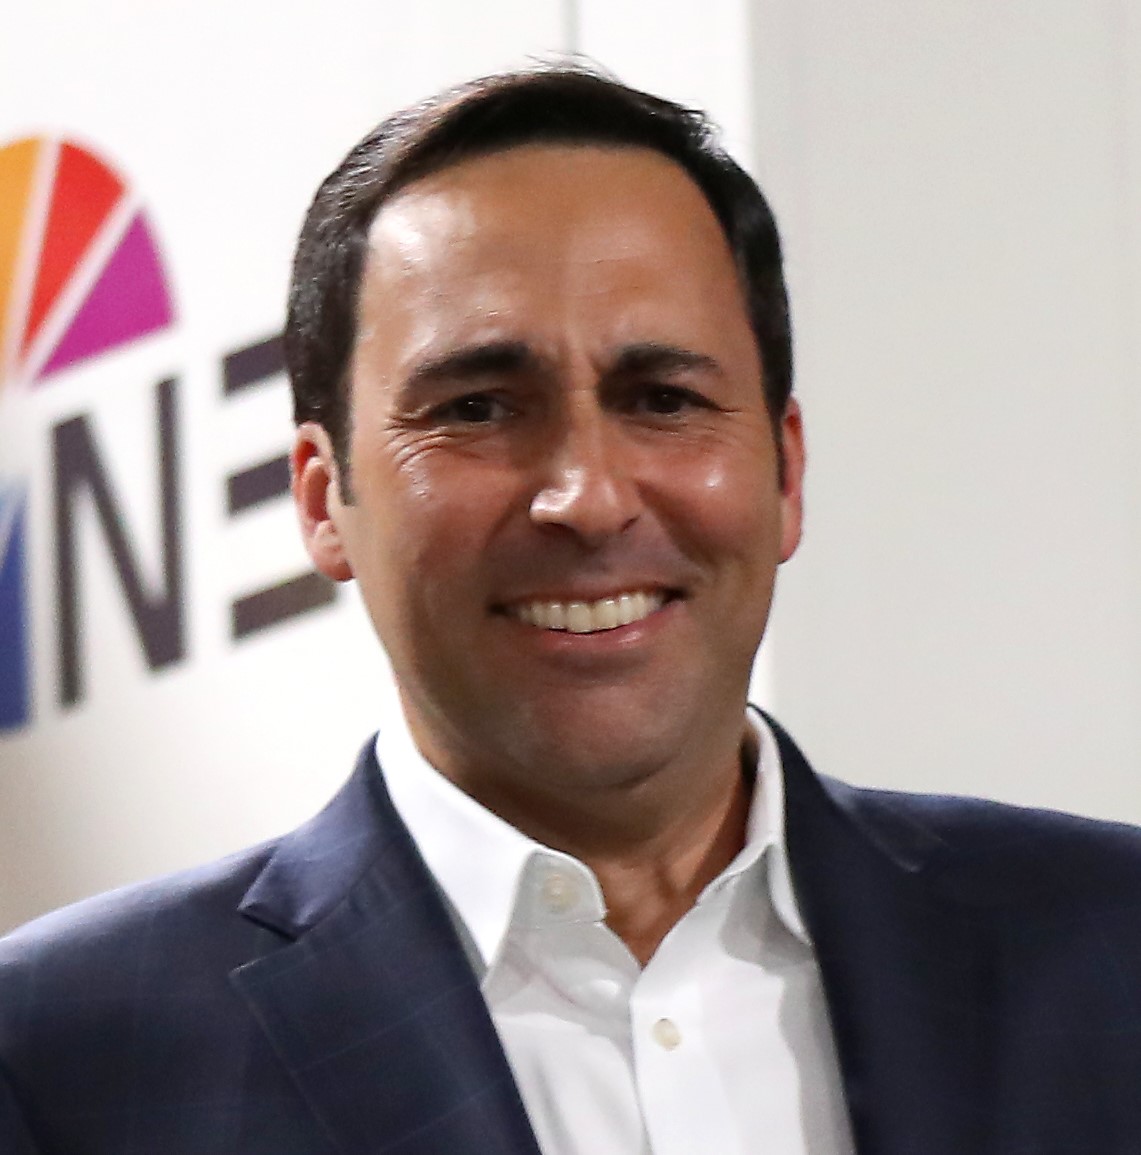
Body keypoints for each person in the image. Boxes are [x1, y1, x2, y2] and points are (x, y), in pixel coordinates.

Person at [2, 65, 1141, 1155]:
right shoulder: (62, 1057)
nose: (588, 498)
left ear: (786, 473)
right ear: (321, 500)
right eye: (477, 407)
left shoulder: (1109, 946)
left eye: (663, 398)